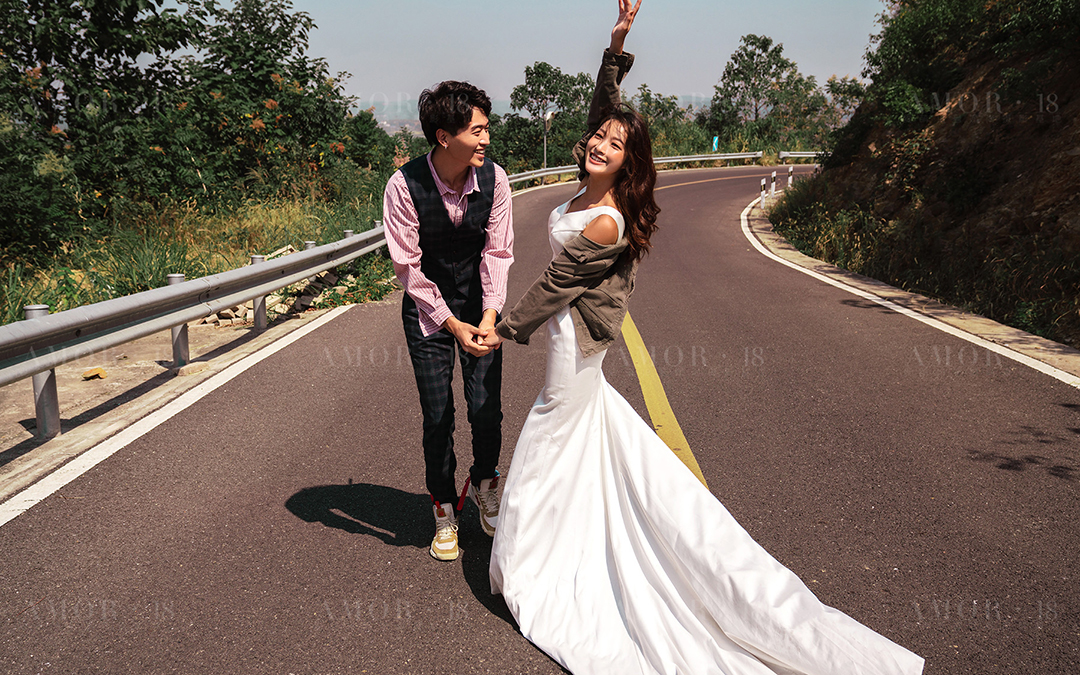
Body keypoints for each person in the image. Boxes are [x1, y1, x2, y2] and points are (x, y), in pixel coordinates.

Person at [481, 1, 926, 673]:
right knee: (584, 451)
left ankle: (532, 567)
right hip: (572, 341)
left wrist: (501, 329)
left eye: (614, 145)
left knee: (546, 443)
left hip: (575, 345)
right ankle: (566, 546)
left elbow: (554, 285)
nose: (599, 144)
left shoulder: (605, 221)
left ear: (628, 163)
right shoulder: (589, 182)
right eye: (598, 137)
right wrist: (617, 44)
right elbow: (605, 110)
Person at [382, 79, 513, 562]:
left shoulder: (496, 181)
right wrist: (451, 323)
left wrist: (489, 316)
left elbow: (497, 252)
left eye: (486, 128)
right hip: (428, 312)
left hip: (481, 306)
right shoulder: (403, 186)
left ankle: (485, 482)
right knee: (438, 415)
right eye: (477, 131)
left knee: (486, 408)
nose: (486, 139)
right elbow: (408, 269)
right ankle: (442, 507)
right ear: (444, 137)